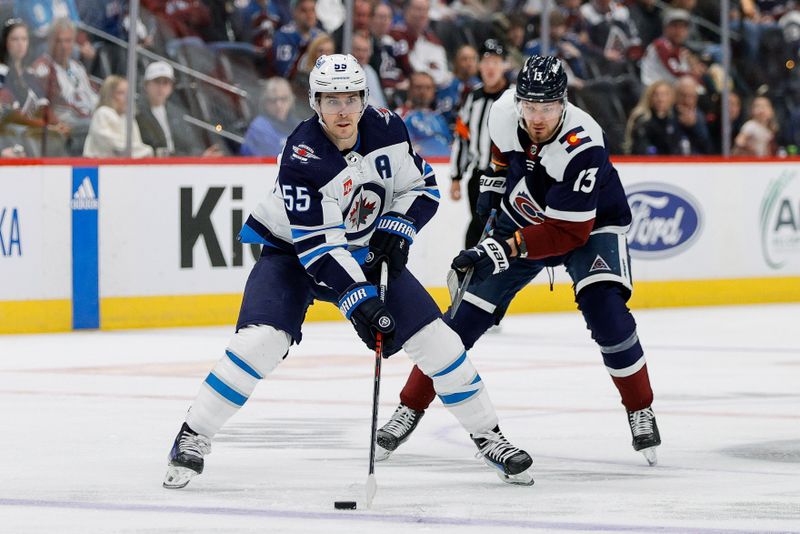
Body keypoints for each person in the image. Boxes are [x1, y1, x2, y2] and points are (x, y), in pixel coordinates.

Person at [162, 53, 535, 490]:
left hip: (364, 250)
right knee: (260, 342)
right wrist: (362, 303)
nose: (343, 110)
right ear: (315, 103)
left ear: (364, 99)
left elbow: (422, 186)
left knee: (439, 340)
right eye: (331, 99)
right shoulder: (301, 156)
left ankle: (488, 434)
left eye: (352, 98)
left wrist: (398, 229)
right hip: (292, 254)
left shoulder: (387, 127)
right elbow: (319, 248)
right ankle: (193, 435)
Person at [376, 55, 661, 467]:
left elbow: (568, 234)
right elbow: (499, 158)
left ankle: (640, 407)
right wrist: (489, 206)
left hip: (590, 223)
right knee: (461, 321)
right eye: (531, 106)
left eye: (547, 108)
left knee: (607, 313)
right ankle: (409, 407)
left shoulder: (584, 144)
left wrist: (499, 248)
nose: (538, 117)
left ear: (564, 103)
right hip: (525, 213)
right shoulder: (504, 111)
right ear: (519, 100)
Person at [450, 38, 511, 248]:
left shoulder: (515, 98)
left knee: (500, 229)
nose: (490, 67)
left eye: (496, 61)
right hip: (479, 176)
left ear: (504, 65)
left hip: (507, 177)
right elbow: (462, 138)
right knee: (479, 227)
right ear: (479, 66)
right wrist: (456, 177)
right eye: (485, 61)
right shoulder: (473, 98)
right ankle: (470, 273)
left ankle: (495, 276)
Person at [31, 18, 98, 156]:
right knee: (96, 127)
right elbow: (53, 104)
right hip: (65, 118)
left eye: (67, 41)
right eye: (58, 41)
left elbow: (92, 93)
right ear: (50, 42)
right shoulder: (43, 68)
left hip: (87, 115)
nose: (63, 46)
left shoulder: (77, 66)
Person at [136, 61, 221, 157]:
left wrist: (199, 155)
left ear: (171, 87)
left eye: (165, 83)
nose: (161, 87)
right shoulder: (136, 112)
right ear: (146, 84)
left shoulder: (177, 113)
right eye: (157, 82)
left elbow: (189, 144)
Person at [83, 74, 153, 157]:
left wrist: (144, 151)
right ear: (109, 95)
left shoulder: (128, 118)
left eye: (128, 93)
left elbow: (137, 145)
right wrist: (146, 150)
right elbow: (113, 145)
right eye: (121, 93)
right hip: (100, 166)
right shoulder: (103, 113)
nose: (127, 97)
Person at [240, 76, 299, 156]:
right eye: (273, 100)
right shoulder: (259, 126)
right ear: (265, 103)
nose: (279, 105)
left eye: (283, 99)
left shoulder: (299, 125)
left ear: (291, 100)